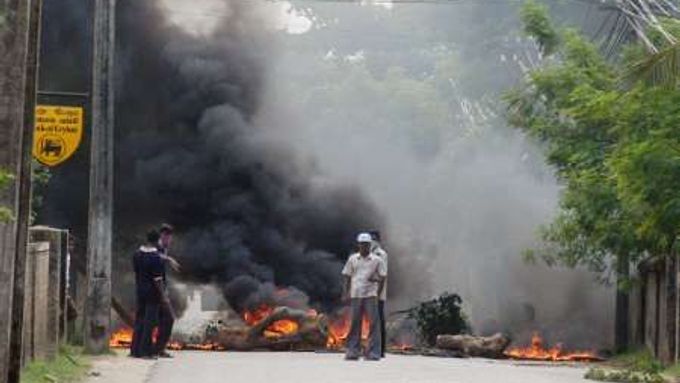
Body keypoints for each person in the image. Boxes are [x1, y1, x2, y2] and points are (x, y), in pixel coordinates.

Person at [341, 232, 387, 361]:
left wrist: (378, 293)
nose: (364, 247)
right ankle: (352, 351)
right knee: (355, 323)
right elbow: (346, 275)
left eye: (366, 245)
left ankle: (373, 353)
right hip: (356, 294)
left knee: (373, 324)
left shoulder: (377, 260)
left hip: (371, 295)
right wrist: (345, 292)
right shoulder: (353, 259)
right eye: (362, 244)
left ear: (370, 245)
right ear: (358, 245)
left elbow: (383, 277)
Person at [130, 230, 167, 358]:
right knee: (149, 323)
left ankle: (134, 350)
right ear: (157, 241)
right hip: (153, 294)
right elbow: (158, 279)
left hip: (140, 292)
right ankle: (145, 351)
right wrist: (163, 295)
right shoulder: (156, 258)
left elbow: (137, 272)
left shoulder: (137, 254)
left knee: (139, 320)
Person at [154, 223, 178, 358]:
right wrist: (169, 259)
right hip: (156, 291)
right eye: (168, 238)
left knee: (164, 320)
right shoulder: (156, 248)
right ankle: (157, 348)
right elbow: (155, 256)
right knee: (168, 319)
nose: (170, 241)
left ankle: (158, 348)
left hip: (161, 290)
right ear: (163, 236)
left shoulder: (163, 249)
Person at [370, 230, 388, 358]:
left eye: (373, 239)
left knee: (378, 321)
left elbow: (381, 275)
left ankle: (380, 350)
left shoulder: (381, 254)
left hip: (377, 293)